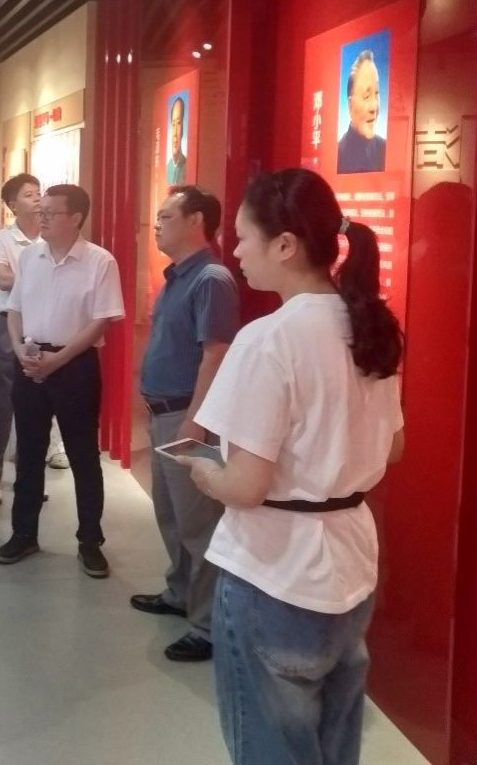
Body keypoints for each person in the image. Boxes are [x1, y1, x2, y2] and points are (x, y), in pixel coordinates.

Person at [176, 168, 404, 765]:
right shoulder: (370, 326)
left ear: (284, 245)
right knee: (333, 742)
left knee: (272, 747)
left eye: (243, 237)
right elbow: (393, 447)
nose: (236, 252)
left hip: (274, 572)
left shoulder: (268, 339)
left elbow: (246, 486)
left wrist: (204, 473)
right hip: (351, 563)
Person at [0, 184, 125, 578]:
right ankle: (24, 533)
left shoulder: (100, 261)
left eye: (51, 212)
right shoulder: (30, 257)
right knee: (29, 453)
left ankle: (90, 541)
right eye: (41, 211)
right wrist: (19, 350)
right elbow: (14, 309)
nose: (42, 217)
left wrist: (59, 360)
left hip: (75, 364)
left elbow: (100, 321)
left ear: (76, 218)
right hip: (31, 359)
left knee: (83, 455)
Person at [131, 186, 239, 662]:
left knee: (199, 524)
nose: (157, 225)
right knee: (171, 515)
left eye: (166, 217)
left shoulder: (211, 279)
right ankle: (180, 593)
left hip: (187, 417)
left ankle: (208, 626)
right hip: (165, 413)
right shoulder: (177, 277)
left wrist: (194, 421)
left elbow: (216, 353)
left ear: (196, 221)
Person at [0, 174, 42, 505]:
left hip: (43, 324)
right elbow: (3, 281)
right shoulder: (2, 239)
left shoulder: (50, 238)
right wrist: (45, 277)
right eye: (29, 194)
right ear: (12, 204)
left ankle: (29, 476)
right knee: (2, 403)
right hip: (7, 322)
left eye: (39, 193)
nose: (37, 198)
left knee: (37, 404)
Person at [336, 50, 386, 174]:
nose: (374, 107)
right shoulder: (338, 154)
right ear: (350, 106)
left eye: (376, 94)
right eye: (366, 96)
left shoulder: (385, 148)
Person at [166, 97, 188, 185]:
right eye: (173, 124)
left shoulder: (187, 166)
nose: (175, 134)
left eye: (178, 123)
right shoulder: (167, 168)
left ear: (183, 127)